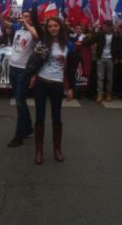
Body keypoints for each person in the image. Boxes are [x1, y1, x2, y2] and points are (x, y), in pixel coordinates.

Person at [30, 17, 78, 165]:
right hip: (41, 83)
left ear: (60, 27)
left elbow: (72, 69)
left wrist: (70, 88)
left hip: (57, 84)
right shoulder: (43, 43)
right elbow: (35, 61)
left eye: (55, 25)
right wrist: (32, 75)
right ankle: (39, 150)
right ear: (47, 29)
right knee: (40, 117)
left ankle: (57, 149)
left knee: (57, 118)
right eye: (50, 26)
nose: (53, 28)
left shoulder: (68, 46)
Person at [0, 2, 40, 148]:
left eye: (26, 17)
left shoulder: (33, 30)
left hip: (23, 71)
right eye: (23, 16)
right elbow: (4, 23)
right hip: (13, 68)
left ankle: (18, 136)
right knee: (20, 101)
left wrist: (27, 24)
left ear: (32, 20)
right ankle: (28, 128)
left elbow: (36, 35)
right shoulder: (18, 29)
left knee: (20, 102)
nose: (23, 18)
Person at [84, 20, 122, 102]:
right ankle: (100, 94)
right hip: (101, 58)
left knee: (109, 78)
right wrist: (84, 42)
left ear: (110, 27)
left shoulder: (117, 36)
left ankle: (108, 93)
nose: (103, 28)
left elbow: (121, 48)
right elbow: (91, 41)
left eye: (105, 27)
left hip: (111, 59)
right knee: (100, 77)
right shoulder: (100, 34)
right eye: (103, 26)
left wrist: (118, 58)